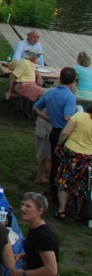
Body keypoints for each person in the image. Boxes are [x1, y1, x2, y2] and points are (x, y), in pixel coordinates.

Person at [8, 192, 63, 276]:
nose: (23, 208)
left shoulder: (43, 236)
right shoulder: (35, 227)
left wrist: (23, 274)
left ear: (40, 211)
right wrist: (22, 255)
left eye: (28, 206)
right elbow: (37, 250)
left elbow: (51, 269)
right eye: (22, 204)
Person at [34, 67, 78, 199]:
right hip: (65, 132)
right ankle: (65, 192)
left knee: (55, 162)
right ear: (73, 81)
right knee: (66, 164)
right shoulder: (70, 97)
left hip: (54, 130)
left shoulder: (50, 92)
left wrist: (49, 118)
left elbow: (36, 107)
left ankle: (54, 192)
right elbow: (68, 117)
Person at [54, 106, 92, 222]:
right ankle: (79, 212)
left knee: (64, 180)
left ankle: (61, 210)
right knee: (82, 184)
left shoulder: (79, 115)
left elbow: (65, 133)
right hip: (88, 156)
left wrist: (59, 144)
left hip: (71, 152)